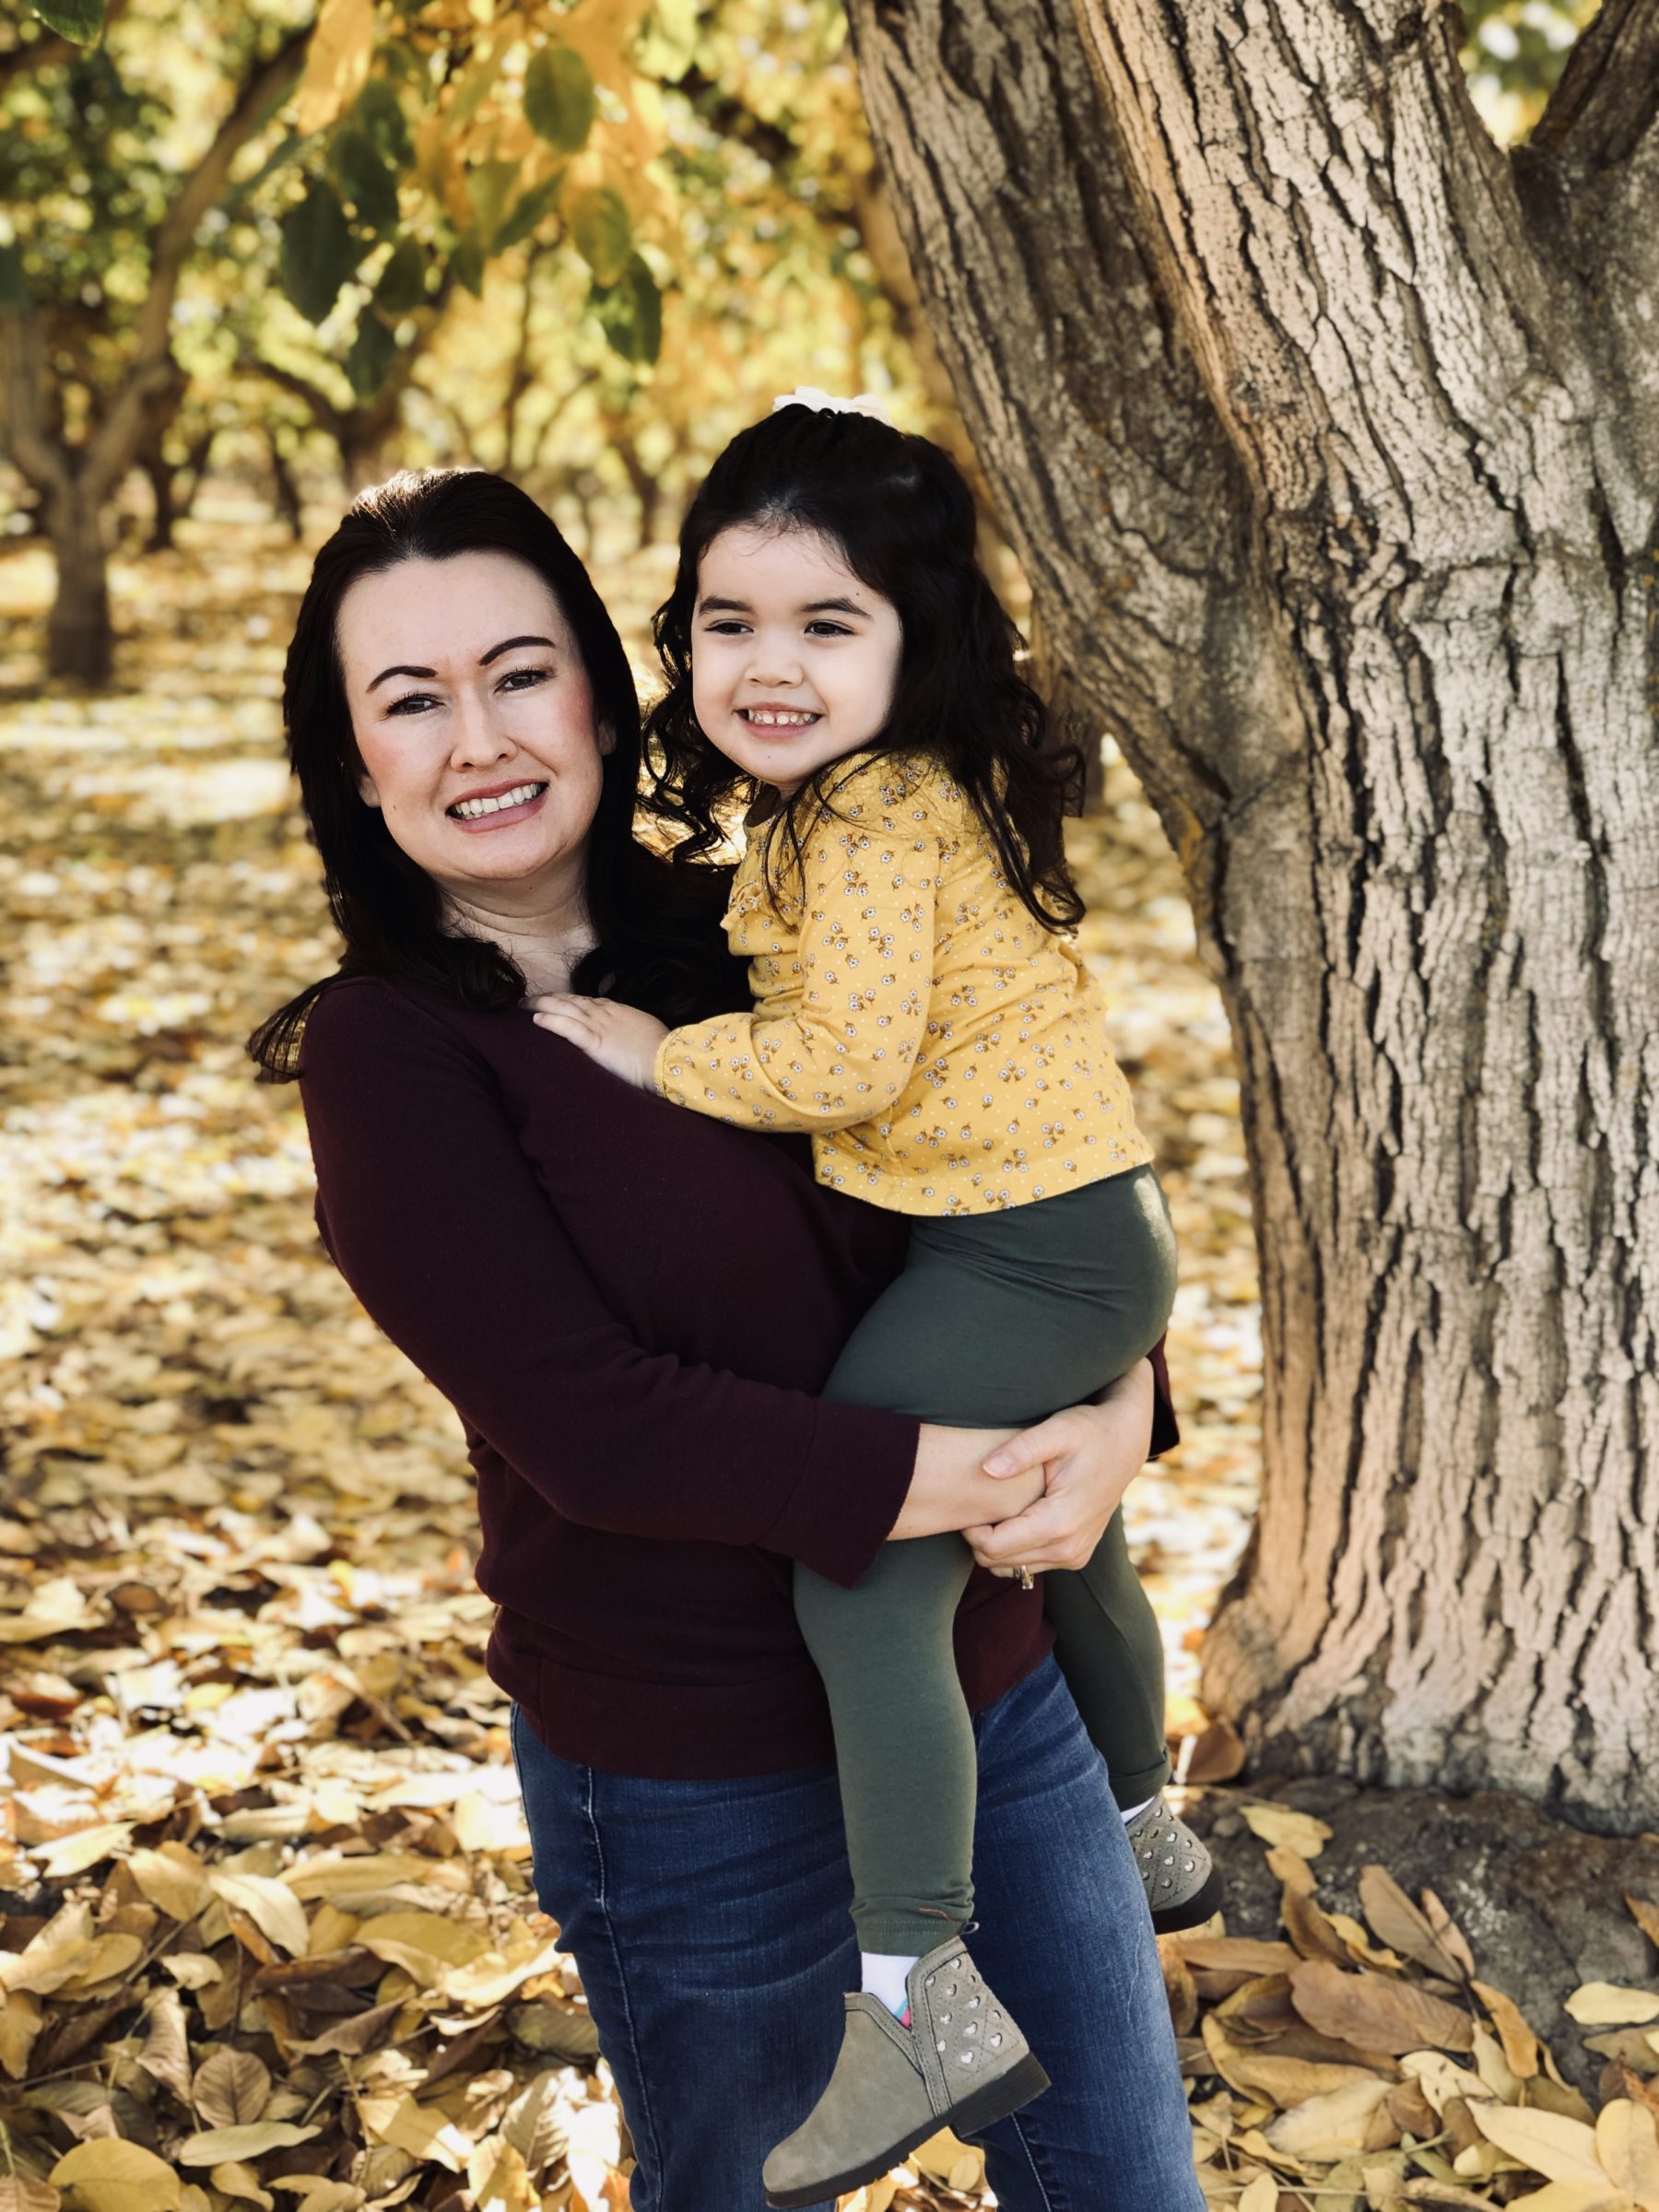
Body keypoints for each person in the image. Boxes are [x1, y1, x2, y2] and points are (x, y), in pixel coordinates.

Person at [252, 465, 1206, 2212]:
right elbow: (596, 1425)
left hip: (995, 1690)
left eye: (519, 671)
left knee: (1128, 2193)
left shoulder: (766, 914)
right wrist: (987, 1467)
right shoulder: (391, 1056)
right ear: (353, 758)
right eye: (410, 698)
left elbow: (1021, 1164)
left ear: (612, 692)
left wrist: (1127, 1412)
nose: (479, 737)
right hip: (699, 1774)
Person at [531, 395, 1215, 2205]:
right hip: (1056, 1228)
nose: (768, 664)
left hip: (1026, 1247)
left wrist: (651, 1055)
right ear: (674, 635)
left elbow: (844, 1058)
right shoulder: (828, 810)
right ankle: (1149, 1828)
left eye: (827, 625)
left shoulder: (882, 814)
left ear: (913, 647)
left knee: (866, 1573)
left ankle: (918, 1999)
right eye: (728, 621)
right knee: (1064, 1543)